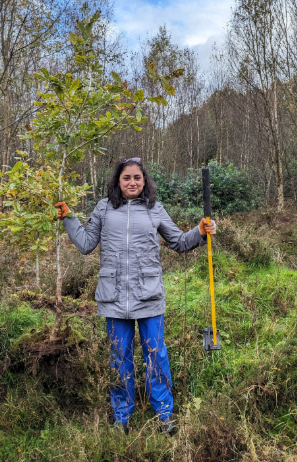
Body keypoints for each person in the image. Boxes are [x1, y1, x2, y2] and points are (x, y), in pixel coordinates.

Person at [54, 158, 216, 435]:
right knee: (119, 359)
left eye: (137, 178)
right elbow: (85, 244)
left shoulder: (155, 210)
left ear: (145, 181)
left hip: (149, 296)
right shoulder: (104, 209)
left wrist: (200, 232)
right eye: (127, 178)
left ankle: (164, 415)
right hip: (113, 298)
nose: (132, 182)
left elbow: (178, 242)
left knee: (156, 356)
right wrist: (70, 218)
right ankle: (121, 418)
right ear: (118, 180)